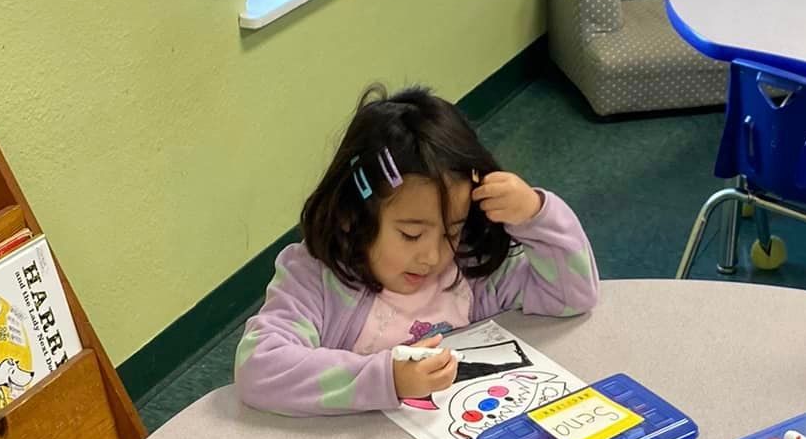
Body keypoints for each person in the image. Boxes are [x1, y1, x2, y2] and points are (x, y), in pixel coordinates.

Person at [234, 85, 598, 414]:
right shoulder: (315, 279)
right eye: (411, 235)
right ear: (351, 215)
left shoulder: (471, 269)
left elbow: (571, 297)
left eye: (452, 231)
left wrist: (537, 214)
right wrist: (387, 379)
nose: (433, 257)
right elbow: (257, 367)